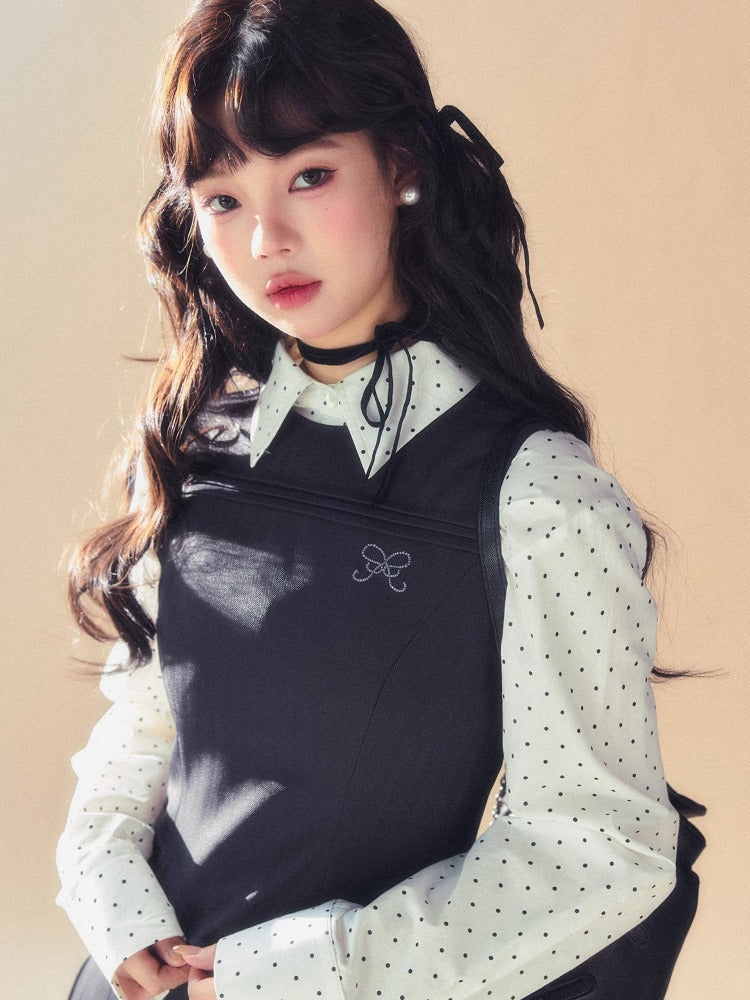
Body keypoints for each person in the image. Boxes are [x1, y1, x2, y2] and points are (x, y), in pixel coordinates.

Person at [57, 2, 693, 998]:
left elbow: (598, 847)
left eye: (309, 175)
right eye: (222, 198)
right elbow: (145, 727)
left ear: (400, 165)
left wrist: (288, 973)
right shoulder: (196, 445)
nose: (267, 238)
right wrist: (109, 898)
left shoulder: (536, 494)